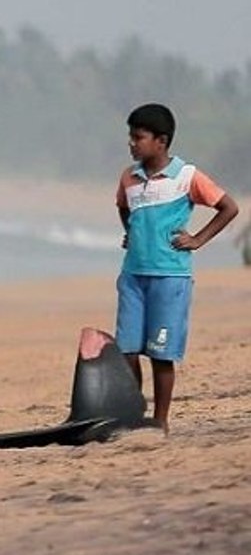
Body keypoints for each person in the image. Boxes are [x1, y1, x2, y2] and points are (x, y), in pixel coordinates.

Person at [115, 103, 240, 433]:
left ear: (161, 140)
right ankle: (135, 411)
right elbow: (123, 207)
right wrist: (131, 232)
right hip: (133, 276)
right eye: (130, 136)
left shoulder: (186, 176)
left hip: (170, 277)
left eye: (138, 137)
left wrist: (198, 239)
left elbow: (229, 207)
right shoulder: (129, 176)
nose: (131, 143)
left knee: (160, 353)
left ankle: (161, 420)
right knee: (126, 349)